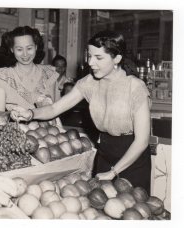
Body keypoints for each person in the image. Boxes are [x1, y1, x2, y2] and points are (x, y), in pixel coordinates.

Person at [11, 30, 152, 194]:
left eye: (98, 58)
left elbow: (142, 141)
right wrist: (30, 113)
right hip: (105, 154)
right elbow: (55, 108)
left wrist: (114, 172)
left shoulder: (135, 87)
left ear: (117, 59)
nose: (91, 63)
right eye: (89, 56)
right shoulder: (89, 83)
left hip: (132, 159)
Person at [0, 26, 61, 125]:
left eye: (29, 48)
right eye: (19, 49)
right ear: (12, 49)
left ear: (36, 47)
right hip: (15, 132)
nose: (25, 54)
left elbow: (55, 109)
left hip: (45, 133)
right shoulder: (2, 76)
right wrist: (10, 113)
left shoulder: (49, 74)